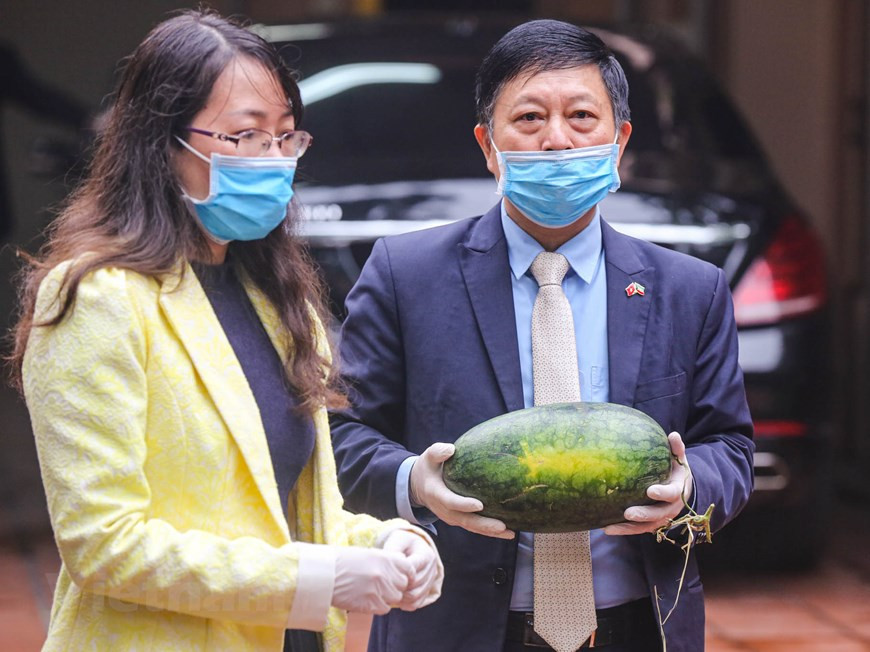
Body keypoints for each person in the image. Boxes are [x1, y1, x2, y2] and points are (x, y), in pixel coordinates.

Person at [8, 10, 442, 652]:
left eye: (285, 138)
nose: (271, 160)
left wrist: (382, 540)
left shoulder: (276, 296)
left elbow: (283, 516)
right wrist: (320, 576)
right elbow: (103, 544)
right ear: (163, 143)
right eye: (245, 137)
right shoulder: (97, 297)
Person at [329, 19, 754, 652]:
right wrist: (415, 481)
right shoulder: (404, 276)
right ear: (487, 145)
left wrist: (689, 488)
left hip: (635, 626)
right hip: (455, 628)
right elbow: (340, 437)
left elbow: (731, 447)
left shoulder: (690, 290)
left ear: (620, 140)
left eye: (582, 116)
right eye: (528, 119)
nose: (557, 141)